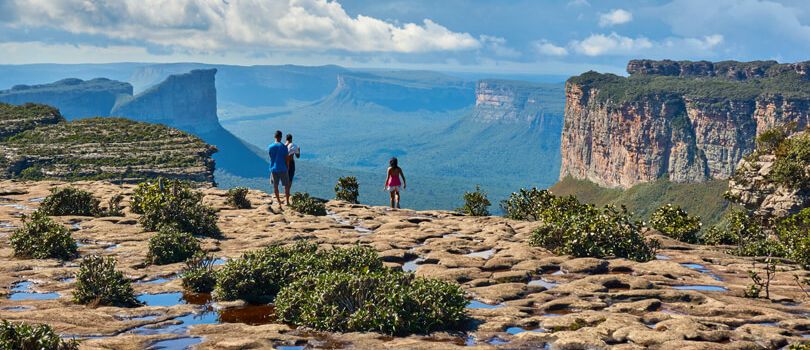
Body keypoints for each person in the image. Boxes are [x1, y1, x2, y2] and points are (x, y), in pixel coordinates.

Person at [268, 130, 290, 206]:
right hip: (283, 168)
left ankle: (279, 202)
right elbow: (287, 158)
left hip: (274, 168)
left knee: (275, 186)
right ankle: (287, 202)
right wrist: (287, 167)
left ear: (274, 137)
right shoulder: (283, 147)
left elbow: (271, 157)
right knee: (286, 185)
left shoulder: (270, 147)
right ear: (281, 137)